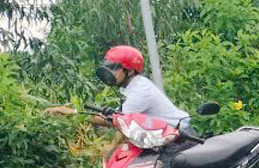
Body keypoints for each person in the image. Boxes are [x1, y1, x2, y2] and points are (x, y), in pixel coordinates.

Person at [46, 45, 189, 129]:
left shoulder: (140, 92)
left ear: (130, 70)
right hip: (166, 136)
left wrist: (69, 112)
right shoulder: (133, 87)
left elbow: (117, 122)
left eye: (114, 67)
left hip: (179, 138)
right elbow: (114, 116)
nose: (109, 72)